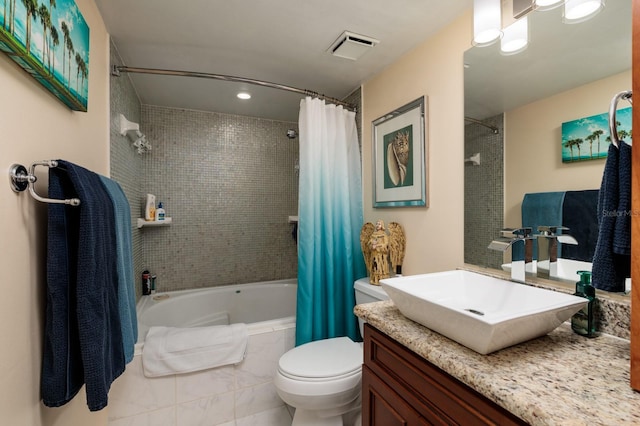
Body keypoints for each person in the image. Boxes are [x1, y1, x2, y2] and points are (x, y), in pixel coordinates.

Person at [369, 220, 390, 284]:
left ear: (382, 226)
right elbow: (369, 244)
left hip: (381, 255)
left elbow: (386, 244)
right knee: (375, 267)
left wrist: (377, 246)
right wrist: (372, 246)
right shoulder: (373, 235)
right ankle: (375, 279)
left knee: (380, 266)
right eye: (377, 224)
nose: (377, 225)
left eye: (379, 224)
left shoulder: (384, 235)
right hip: (374, 254)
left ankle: (381, 279)